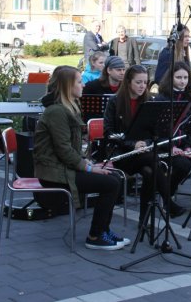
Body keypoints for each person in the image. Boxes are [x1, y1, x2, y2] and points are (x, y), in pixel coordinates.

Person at [33, 66, 129, 250]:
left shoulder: (69, 107)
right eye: (78, 81)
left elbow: (70, 149)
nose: (83, 84)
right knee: (111, 183)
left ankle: (103, 230)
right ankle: (95, 236)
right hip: (54, 174)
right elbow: (63, 150)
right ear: (67, 86)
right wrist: (89, 168)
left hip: (63, 167)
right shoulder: (57, 112)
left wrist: (87, 162)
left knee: (114, 177)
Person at [103, 65, 187, 225]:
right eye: (138, 82)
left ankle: (144, 220)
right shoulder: (115, 102)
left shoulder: (149, 101)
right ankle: (168, 204)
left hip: (145, 154)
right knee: (152, 162)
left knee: (150, 171)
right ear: (128, 82)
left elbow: (156, 131)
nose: (142, 86)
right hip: (122, 154)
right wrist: (132, 144)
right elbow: (109, 134)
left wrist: (146, 143)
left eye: (145, 82)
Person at [154, 61, 191, 206]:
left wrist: (189, 147)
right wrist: (171, 147)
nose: (182, 81)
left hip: (185, 146)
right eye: (178, 78)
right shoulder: (161, 98)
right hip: (167, 146)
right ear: (171, 78)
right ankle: (167, 195)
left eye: (185, 78)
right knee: (183, 165)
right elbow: (157, 129)